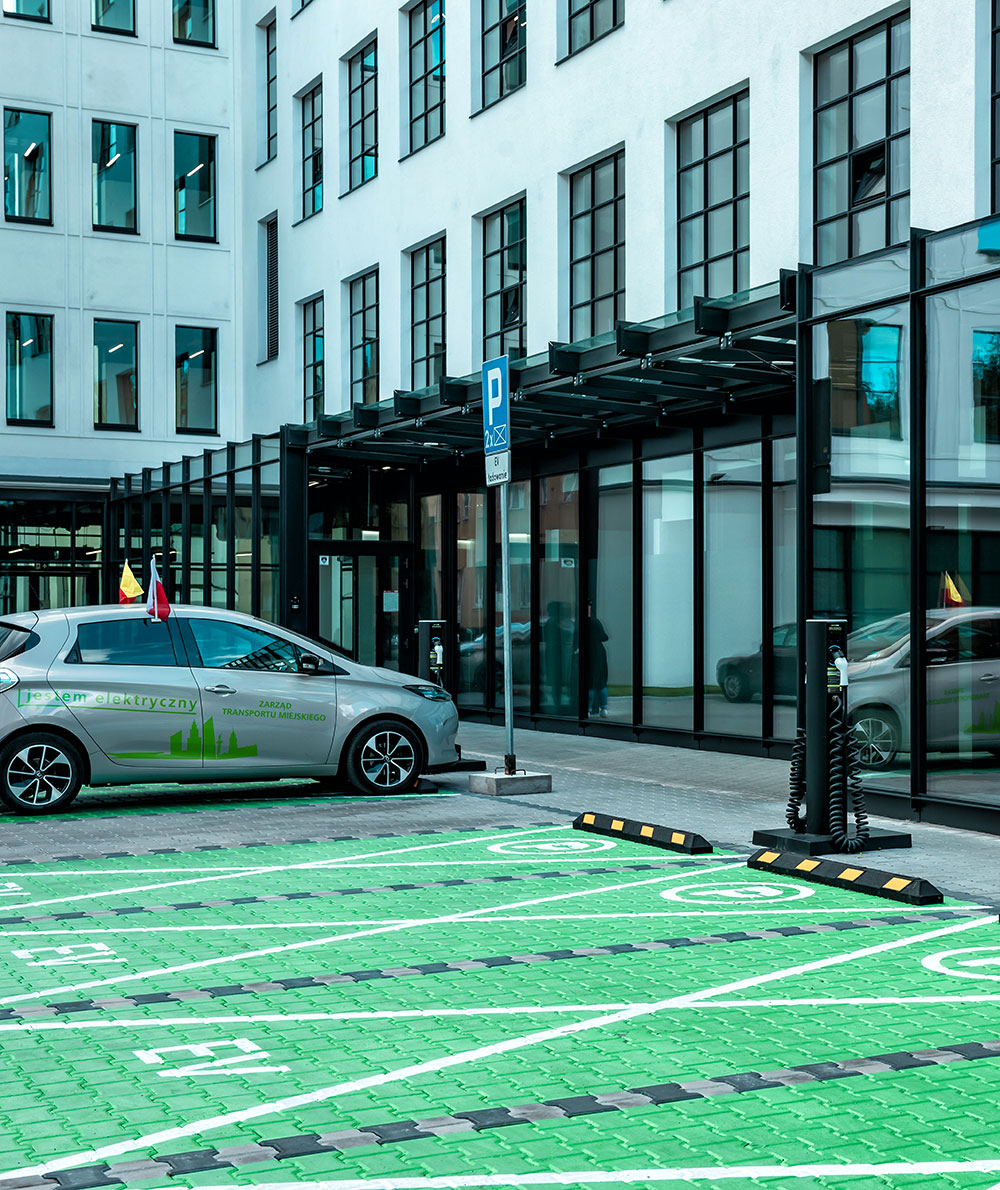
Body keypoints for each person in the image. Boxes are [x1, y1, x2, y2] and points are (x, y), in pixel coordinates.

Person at [587, 601, 609, 717]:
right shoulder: (595, 622)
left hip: (588, 655)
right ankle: (604, 708)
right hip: (599, 655)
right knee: (601, 683)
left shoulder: (581, 624)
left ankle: (588, 709)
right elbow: (604, 637)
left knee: (589, 684)